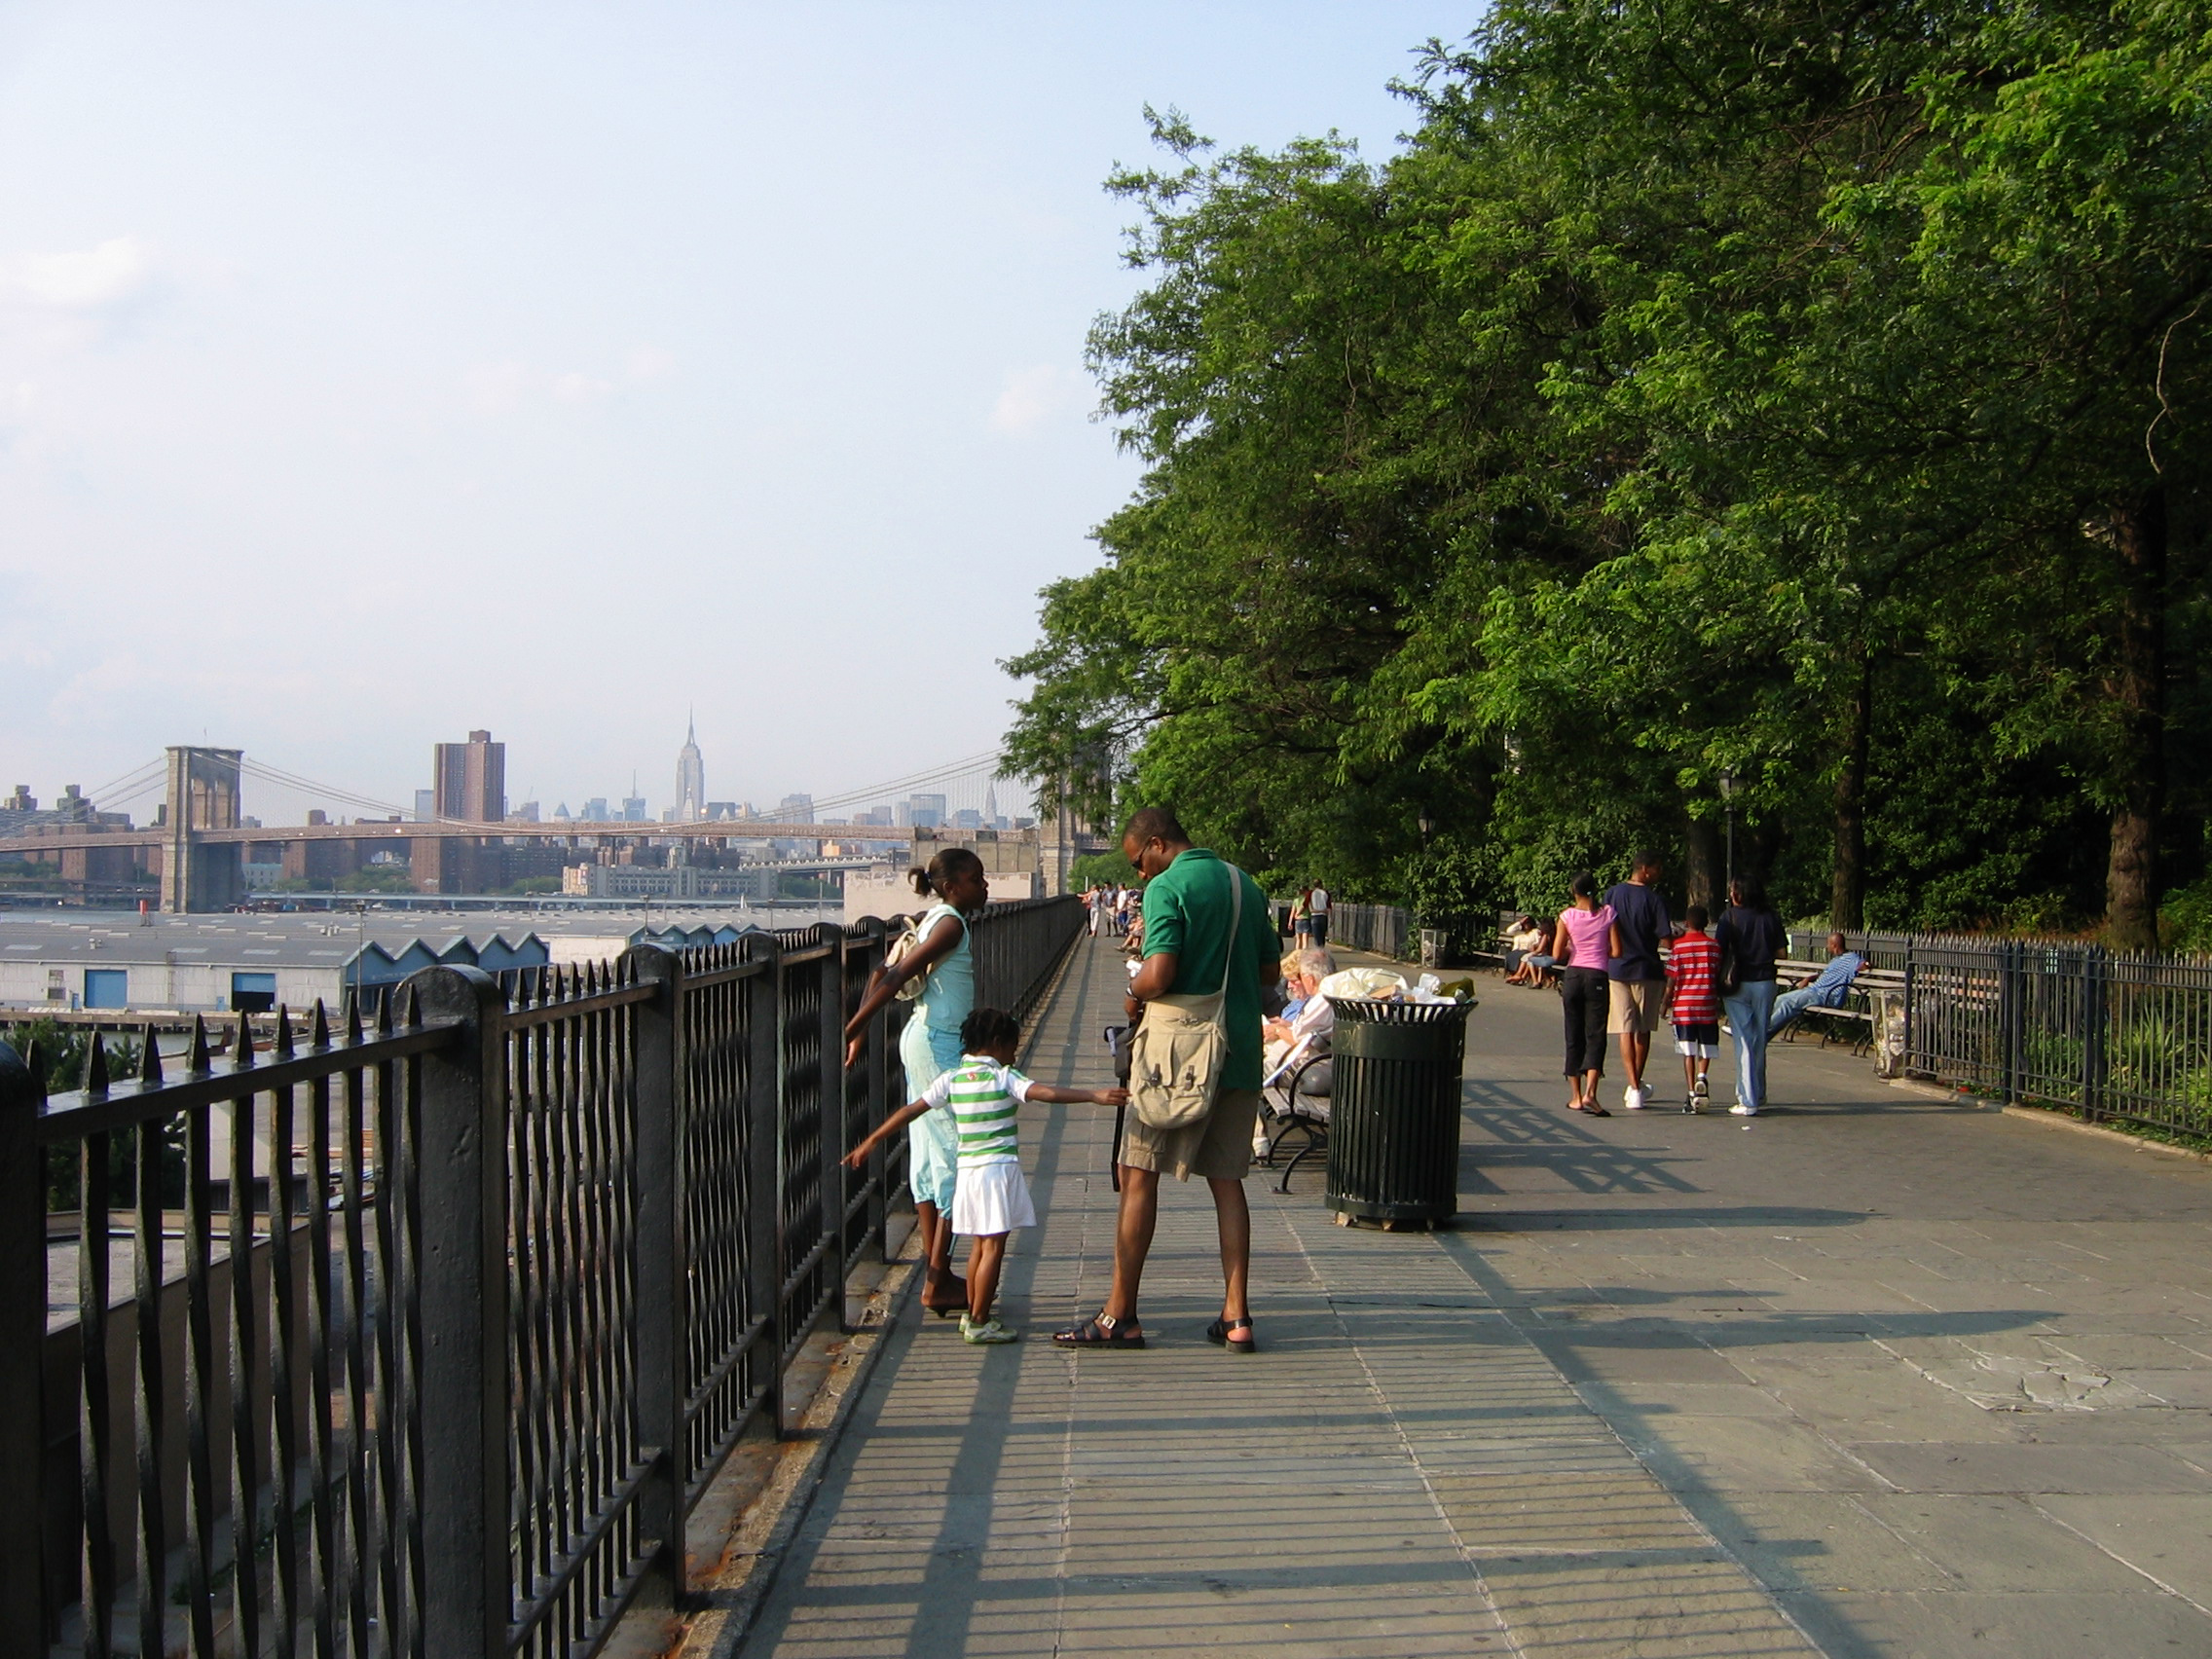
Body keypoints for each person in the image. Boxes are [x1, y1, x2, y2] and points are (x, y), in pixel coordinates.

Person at [1055, 807, 1278, 1354]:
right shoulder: (1243, 883)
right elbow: (1270, 972)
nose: (1139, 873)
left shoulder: (1166, 887)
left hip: (1176, 1059)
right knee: (1227, 1182)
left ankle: (1119, 1315)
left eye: (1138, 861)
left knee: (1137, 1175)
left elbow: (1159, 973)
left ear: (1157, 844)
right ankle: (1237, 1316)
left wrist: (1133, 993)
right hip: (1239, 1051)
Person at [845, 1007, 1125, 1344]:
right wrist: (1093, 1096)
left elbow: (911, 1110)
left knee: (978, 1245)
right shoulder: (1002, 1077)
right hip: (997, 1171)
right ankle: (980, 1320)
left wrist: (872, 1141)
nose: (1014, 1056)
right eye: (1012, 1048)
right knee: (994, 1247)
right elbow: (1044, 1092)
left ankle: (972, 1313)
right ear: (996, 1042)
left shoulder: (951, 1079)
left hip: (968, 1173)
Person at [841, 846, 987, 1316]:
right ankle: (937, 1279)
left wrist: (859, 1030)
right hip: (939, 1045)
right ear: (951, 887)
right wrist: (854, 1028)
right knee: (960, 1156)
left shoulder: (931, 918)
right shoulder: (949, 925)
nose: (985, 886)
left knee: (928, 1157)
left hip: (923, 1039)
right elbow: (897, 975)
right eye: (977, 880)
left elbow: (882, 971)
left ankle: (938, 1273)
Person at [1604, 852, 1672, 1111]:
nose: (1659, 873)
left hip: (1617, 967)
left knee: (1625, 1028)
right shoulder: (1654, 900)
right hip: (1646, 968)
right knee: (1643, 1029)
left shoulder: (1612, 894)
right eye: (1657, 868)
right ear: (1645, 869)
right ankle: (1636, 1085)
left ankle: (1633, 1086)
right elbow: (1665, 937)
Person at [1714, 876, 1785, 1116]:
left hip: (1737, 982)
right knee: (1759, 1039)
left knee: (1743, 1040)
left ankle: (1747, 1098)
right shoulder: (1771, 916)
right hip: (1765, 981)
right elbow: (1782, 952)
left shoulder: (1729, 918)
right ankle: (1759, 1091)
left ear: (1738, 894)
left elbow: (1719, 950)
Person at [1550, 872, 1617, 1116]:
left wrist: (1573, 947)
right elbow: (1617, 950)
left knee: (1573, 1034)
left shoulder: (1566, 916)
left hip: (1574, 976)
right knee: (1596, 1034)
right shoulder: (1608, 913)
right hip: (1597, 975)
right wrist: (1599, 950)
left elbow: (1557, 953)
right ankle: (1591, 1093)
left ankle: (1576, 1096)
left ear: (1574, 891)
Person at [1664, 903, 1721, 1112]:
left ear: (1687, 923)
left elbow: (1672, 979)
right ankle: (1702, 1076)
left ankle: (1690, 1092)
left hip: (1684, 1006)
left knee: (1688, 1051)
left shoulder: (1678, 947)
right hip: (1706, 1003)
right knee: (1706, 1047)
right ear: (1706, 923)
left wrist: (1665, 1003)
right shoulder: (1714, 946)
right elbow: (1717, 972)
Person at [1770, 933, 1864, 1036]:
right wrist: (1809, 978)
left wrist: (1865, 965)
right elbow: (1825, 974)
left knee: (1788, 1004)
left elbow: (1862, 964)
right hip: (1814, 991)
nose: (1827, 947)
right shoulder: (1835, 960)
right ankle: (1765, 1029)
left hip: (1826, 995)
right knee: (1780, 999)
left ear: (1834, 945)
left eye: (1828, 944)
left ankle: (1764, 1031)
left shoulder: (1852, 958)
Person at [1503, 915, 1552, 987]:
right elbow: (1509, 931)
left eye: (1528, 923)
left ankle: (1520, 976)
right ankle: (1518, 975)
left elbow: (1538, 946)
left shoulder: (1535, 932)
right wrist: (1520, 922)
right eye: (1525, 923)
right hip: (1517, 951)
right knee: (1511, 956)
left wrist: (1533, 950)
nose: (1526, 925)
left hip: (1528, 951)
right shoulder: (1519, 932)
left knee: (1526, 957)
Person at [1308, 882, 1331, 949]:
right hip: (1323, 916)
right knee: (1322, 935)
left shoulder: (1311, 893)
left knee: (1316, 936)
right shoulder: (1325, 893)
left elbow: (1307, 904)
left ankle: (1318, 950)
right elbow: (1329, 906)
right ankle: (1322, 949)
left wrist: (1313, 910)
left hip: (1314, 916)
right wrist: (1330, 917)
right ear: (1321, 884)